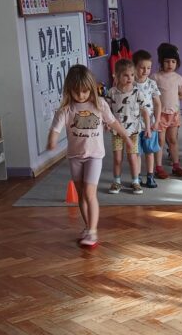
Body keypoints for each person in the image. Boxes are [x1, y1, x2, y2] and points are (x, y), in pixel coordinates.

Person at [47, 65, 131, 248]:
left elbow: (113, 122)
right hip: (75, 157)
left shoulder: (99, 104)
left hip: (94, 156)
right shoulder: (66, 110)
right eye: (76, 91)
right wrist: (52, 142)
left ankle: (93, 231)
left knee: (89, 193)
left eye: (85, 91)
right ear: (69, 90)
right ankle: (87, 226)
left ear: (91, 88)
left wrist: (126, 137)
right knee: (81, 195)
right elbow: (55, 129)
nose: (81, 95)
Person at [105, 58, 149, 194]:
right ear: (117, 76)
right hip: (117, 132)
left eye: (132, 75)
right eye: (125, 75)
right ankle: (116, 182)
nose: (130, 78)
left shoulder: (137, 93)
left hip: (133, 132)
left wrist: (148, 127)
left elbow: (145, 111)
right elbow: (106, 110)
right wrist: (106, 123)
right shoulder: (112, 92)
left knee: (132, 157)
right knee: (117, 159)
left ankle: (135, 181)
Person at [153, 42, 182, 178]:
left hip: (174, 114)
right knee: (160, 141)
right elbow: (151, 95)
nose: (170, 64)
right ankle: (158, 167)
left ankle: (176, 166)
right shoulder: (155, 77)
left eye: (173, 61)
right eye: (167, 61)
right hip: (160, 115)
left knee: (173, 139)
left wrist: (176, 98)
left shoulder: (178, 78)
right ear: (161, 62)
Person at [132, 50, 162, 188]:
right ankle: (137, 177)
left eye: (148, 68)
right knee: (137, 152)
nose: (145, 71)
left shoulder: (151, 84)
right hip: (133, 125)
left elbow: (158, 104)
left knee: (149, 151)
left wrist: (157, 121)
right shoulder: (130, 83)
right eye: (142, 67)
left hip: (149, 124)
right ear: (134, 67)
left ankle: (150, 176)